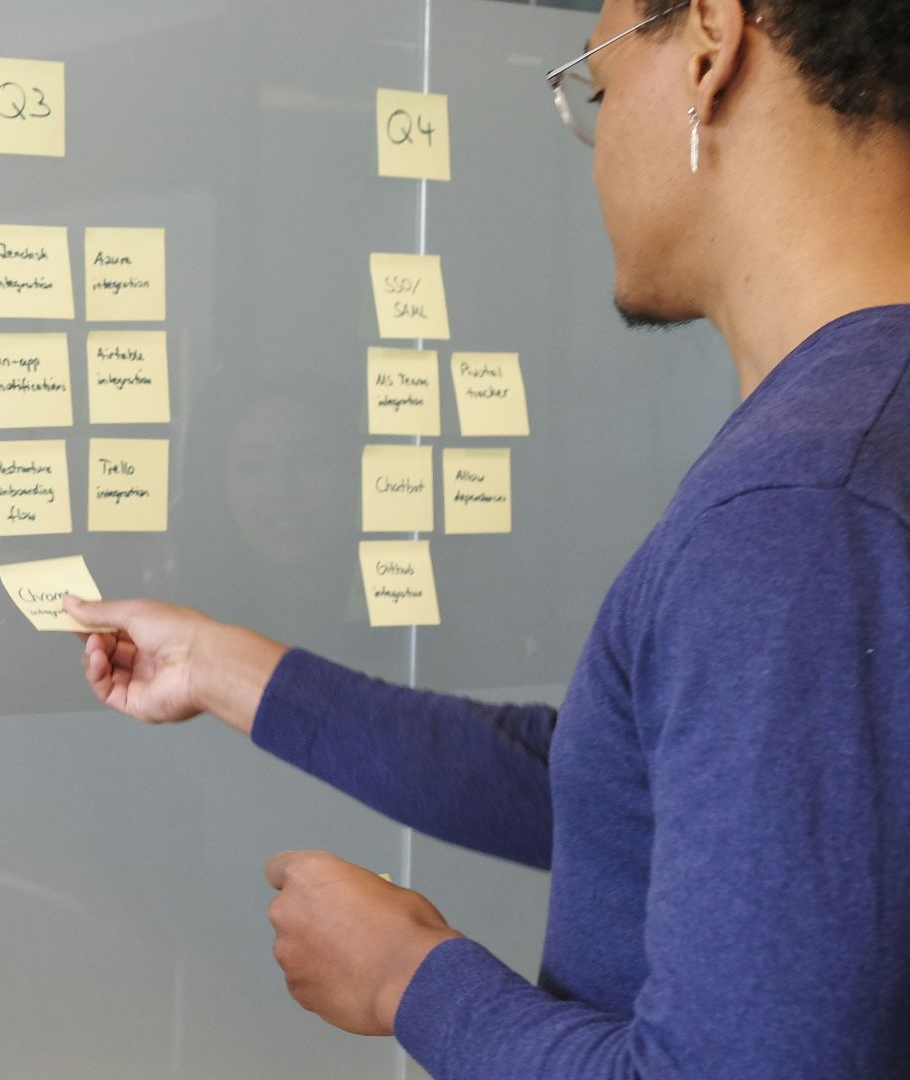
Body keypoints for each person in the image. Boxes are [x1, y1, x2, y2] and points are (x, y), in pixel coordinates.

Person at [66, 0, 910, 1075]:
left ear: (710, 41)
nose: (597, 145)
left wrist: (409, 979)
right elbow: (623, 791)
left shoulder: (801, 508)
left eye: (597, 87)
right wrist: (219, 666)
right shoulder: (852, 452)